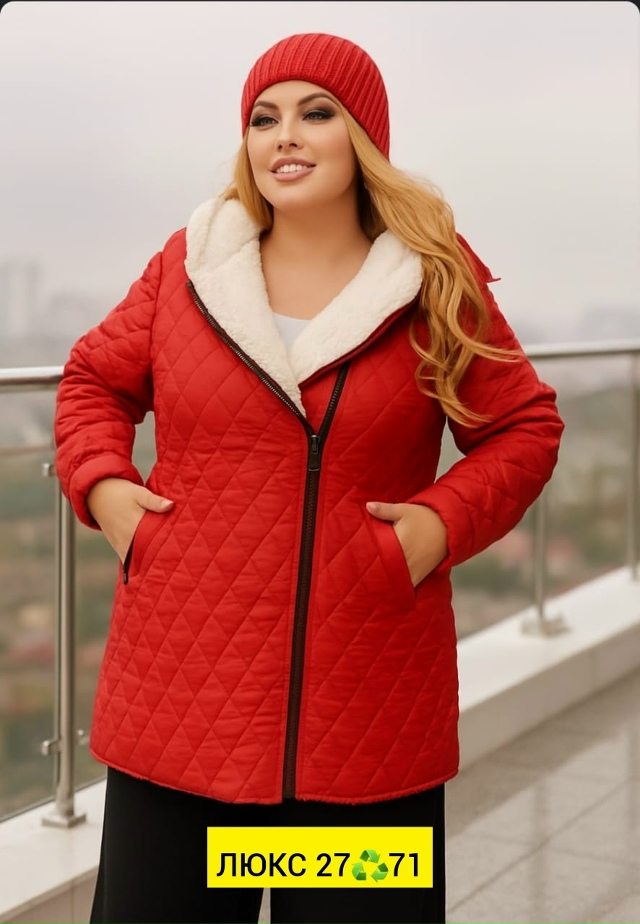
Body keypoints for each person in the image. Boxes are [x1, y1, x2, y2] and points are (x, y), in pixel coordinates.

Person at [53, 31, 564, 924]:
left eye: (314, 113)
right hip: (184, 703)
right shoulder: (189, 264)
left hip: (366, 720)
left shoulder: (434, 275)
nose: (284, 135)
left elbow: (525, 426)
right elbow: (93, 380)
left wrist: (436, 528)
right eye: (263, 118)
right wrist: (104, 488)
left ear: (363, 136)